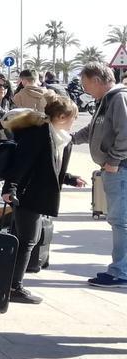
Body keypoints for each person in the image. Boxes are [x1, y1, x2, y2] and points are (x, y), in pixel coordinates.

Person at [1, 94, 86, 302]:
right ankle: (14, 287)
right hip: (26, 194)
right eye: (73, 117)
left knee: (29, 239)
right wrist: (10, 188)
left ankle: (10, 283)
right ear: (62, 116)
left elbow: (50, 168)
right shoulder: (39, 134)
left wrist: (70, 179)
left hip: (38, 194)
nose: (74, 121)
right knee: (27, 240)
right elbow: (21, 163)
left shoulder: (61, 139)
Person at [71, 62, 127, 287]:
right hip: (116, 169)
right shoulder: (107, 101)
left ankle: (120, 272)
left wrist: (114, 160)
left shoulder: (117, 99)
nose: (84, 89)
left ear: (96, 80)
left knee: (120, 221)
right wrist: (71, 139)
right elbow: (95, 130)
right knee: (119, 221)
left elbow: (125, 133)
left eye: (85, 84)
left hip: (120, 169)